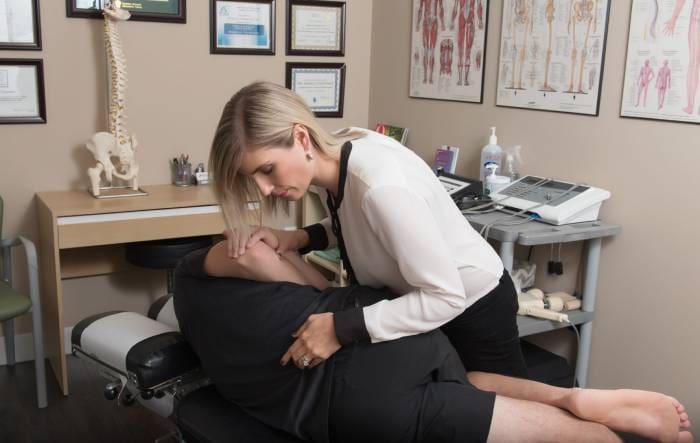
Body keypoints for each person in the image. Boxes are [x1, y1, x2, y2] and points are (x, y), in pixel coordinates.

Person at [173, 240, 692, 443]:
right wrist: (309, 277)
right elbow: (249, 254)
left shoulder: (195, 307)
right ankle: (567, 396)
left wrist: (297, 250)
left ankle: (577, 417)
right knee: (467, 378)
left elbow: (254, 256)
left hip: (356, 401)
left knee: (552, 436)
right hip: (398, 339)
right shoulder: (204, 266)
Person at [209, 81, 526, 378]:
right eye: (253, 178)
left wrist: (341, 328)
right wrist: (296, 238)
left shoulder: (380, 187)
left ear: (301, 138)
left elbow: (446, 297)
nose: (263, 189)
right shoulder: (334, 159)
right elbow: (356, 221)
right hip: (420, 301)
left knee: (508, 420)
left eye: (267, 170)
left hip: (474, 306)